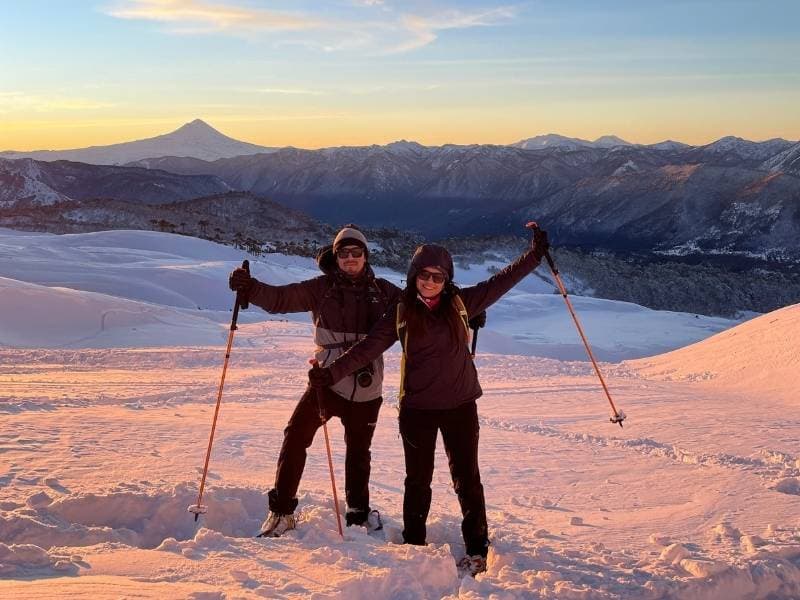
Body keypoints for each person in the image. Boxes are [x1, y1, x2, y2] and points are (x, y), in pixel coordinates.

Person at [309, 224, 549, 575]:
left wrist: (535, 255)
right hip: (417, 409)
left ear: (447, 278)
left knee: (467, 477)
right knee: (416, 480)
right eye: (424, 275)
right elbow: (367, 349)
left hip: (460, 406)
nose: (430, 282)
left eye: (438, 276)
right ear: (413, 276)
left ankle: (477, 548)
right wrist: (330, 374)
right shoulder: (402, 311)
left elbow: (503, 281)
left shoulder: (461, 303)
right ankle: (414, 543)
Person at [229, 225, 401, 537]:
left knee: (359, 451)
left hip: (366, 385)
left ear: (365, 256)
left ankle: (358, 513)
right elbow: (281, 299)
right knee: (296, 435)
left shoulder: (386, 292)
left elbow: (422, 309)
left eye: (356, 252)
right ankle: (281, 511)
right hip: (326, 381)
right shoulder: (321, 288)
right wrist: (250, 288)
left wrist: (464, 315)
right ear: (335, 257)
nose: (350, 258)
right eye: (343, 253)